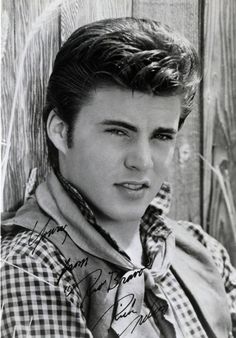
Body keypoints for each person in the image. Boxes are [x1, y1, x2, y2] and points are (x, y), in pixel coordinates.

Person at [1, 17, 235, 338]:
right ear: (60, 130)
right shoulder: (31, 268)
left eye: (161, 136)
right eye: (118, 131)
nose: (142, 161)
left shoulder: (202, 251)